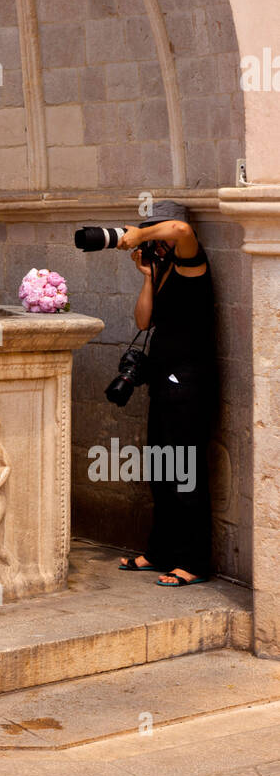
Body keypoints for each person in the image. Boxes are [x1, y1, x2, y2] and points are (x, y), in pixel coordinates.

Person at [115, 199, 216, 587]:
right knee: (161, 470)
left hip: (189, 384)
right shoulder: (164, 271)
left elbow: (183, 231)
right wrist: (146, 276)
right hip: (162, 380)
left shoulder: (193, 263)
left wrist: (139, 233)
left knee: (185, 472)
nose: (152, 243)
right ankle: (161, 552)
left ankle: (193, 561)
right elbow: (144, 320)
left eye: (155, 234)